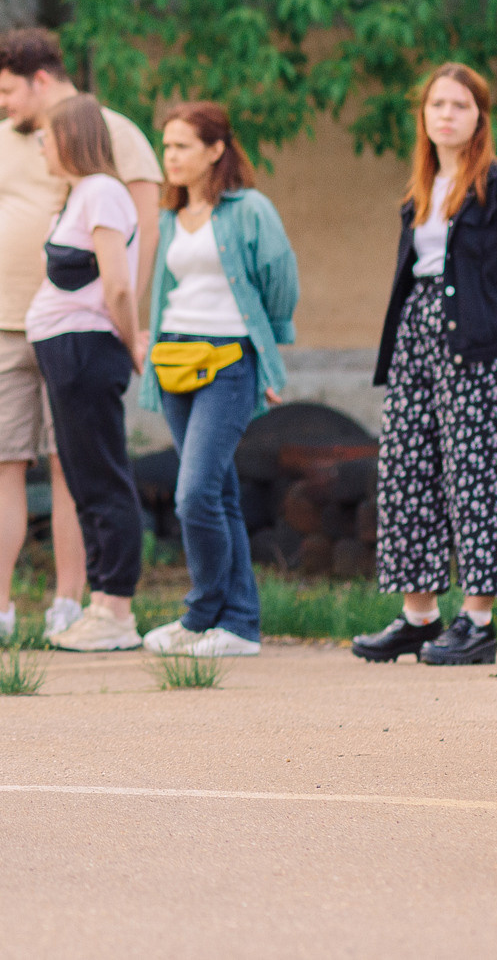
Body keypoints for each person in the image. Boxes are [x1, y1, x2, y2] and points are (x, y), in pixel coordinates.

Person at [0, 29, 162, 646]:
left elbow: (143, 232)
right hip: (7, 328)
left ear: (42, 79)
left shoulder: (113, 134)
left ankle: (72, 602)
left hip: (83, 335)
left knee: (74, 465)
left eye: (7, 90)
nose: (0, 103)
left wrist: (125, 322)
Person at [353, 64, 497, 667]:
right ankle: (418, 616)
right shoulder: (420, 191)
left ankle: (477, 621)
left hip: (483, 350)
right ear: (423, 116)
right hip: (416, 340)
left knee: (477, 477)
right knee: (406, 470)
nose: (446, 114)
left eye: (460, 105)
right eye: (437, 104)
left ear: (480, 118)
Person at [138, 104, 299, 658]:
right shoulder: (169, 214)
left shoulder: (249, 210)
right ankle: (239, 625)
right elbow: (165, 292)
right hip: (174, 360)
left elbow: (280, 280)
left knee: (194, 495)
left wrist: (269, 355)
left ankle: (202, 612)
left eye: (182, 146)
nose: (170, 157)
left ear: (215, 150)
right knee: (220, 494)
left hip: (229, 363)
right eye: (166, 146)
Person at [26, 96, 147, 652]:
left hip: (87, 350)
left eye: (46, 136)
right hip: (65, 351)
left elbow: (118, 284)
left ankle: (116, 608)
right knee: (81, 478)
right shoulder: (77, 196)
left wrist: (133, 341)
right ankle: (101, 602)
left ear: (71, 137)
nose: (40, 147)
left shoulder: (102, 191)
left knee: (101, 477)